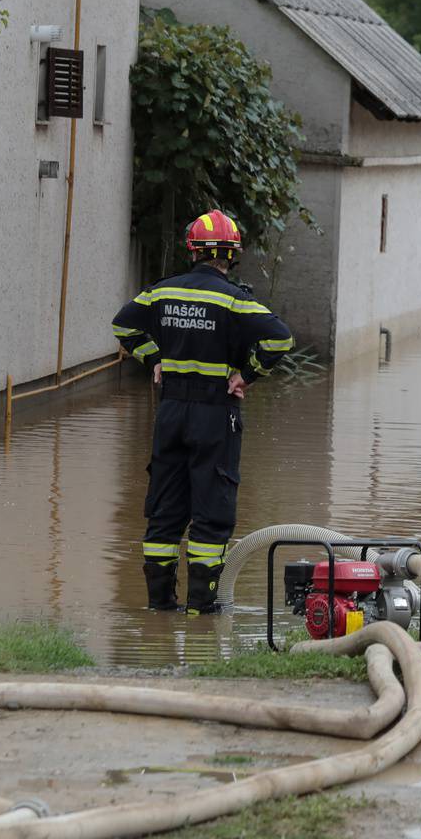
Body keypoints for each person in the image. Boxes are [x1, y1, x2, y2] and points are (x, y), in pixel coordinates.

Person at [111, 209, 295, 614]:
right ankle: (201, 614)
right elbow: (280, 339)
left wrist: (153, 359)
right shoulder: (234, 300)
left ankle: (158, 610)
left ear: (191, 250)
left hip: (171, 413)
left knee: (164, 513)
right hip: (216, 416)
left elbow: (123, 325)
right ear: (232, 255)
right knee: (211, 516)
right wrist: (247, 375)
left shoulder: (160, 293)